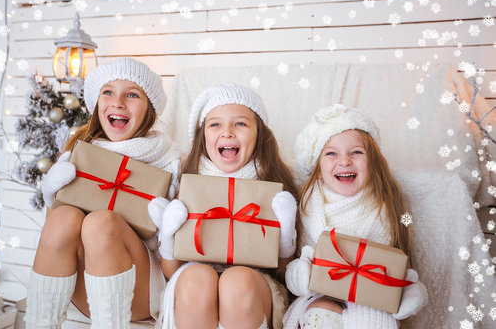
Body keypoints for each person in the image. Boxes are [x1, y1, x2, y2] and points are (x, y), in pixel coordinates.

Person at [24, 58, 181, 328]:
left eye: (132, 95)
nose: (118, 102)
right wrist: (52, 198)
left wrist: (167, 225)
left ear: (150, 110)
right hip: (79, 284)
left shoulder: (168, 159)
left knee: (101, 222)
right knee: (64, 217)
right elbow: (55, 236)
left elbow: (176, 252)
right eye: (108, 92)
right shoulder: (81, 148)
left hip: (137, 288)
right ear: (98, 105)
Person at [154, 83, 299, 329]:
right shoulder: (186, 185)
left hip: (254, 289)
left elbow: (284, 277)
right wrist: (167, 239)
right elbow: (169, 271)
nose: (228, 132)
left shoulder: (274, 188)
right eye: (215, 124)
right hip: (193, 284)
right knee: (196, 277)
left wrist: (285, 239)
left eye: (240, 123)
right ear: (203, 137)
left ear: (259, 134)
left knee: (237, 280)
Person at [282, 104, 428, 329]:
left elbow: (394, 264)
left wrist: (408, 290)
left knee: (375, 319)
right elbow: (295, 263)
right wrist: (301, 276)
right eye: (332, 153)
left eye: (356, 152)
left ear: (373, 162)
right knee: (322, 311)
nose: (345, 161)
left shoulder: (384, 205)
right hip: (320, 296)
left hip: (371, 297)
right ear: (318, 169)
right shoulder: (309, 205)